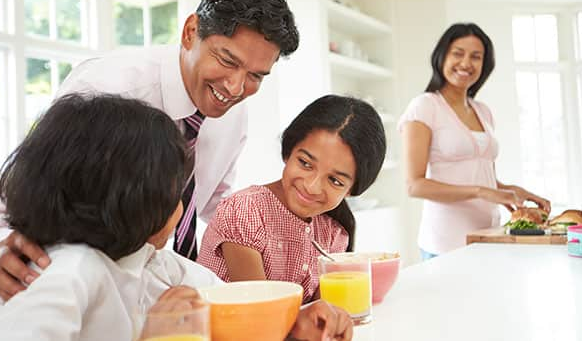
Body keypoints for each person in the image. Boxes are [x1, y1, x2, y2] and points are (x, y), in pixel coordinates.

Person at [0, 0, 352, 340]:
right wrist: (2, 248)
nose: (236, 87)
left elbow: (216, 213)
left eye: (256, 76)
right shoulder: (106, 90)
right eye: (228, 61)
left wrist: (285, 314)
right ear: (190, 32)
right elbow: (20, 190)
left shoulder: (231, 116)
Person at [0, 94, 352, 341]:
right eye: (174, 195)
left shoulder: (155, 261)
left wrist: (295, 323)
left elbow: (236, 301)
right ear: (130, 203)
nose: (182, 208)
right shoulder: (68, 274)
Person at [197, 95, 387, 303]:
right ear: (288, 152)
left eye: (334, 180)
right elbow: (261, 314)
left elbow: (321, 313)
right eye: (305, 163)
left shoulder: (333, 233)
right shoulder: (244, 212)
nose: (312, 186)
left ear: (352, 190)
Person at [398, 23, 551, 260]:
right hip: (445, 243)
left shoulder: (483, 111)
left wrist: (511, 191)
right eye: (458, 53)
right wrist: (481, 192)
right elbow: (414, 185)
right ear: (442, 57)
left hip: (489, 236)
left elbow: (479, 175)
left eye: (476, 57)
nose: (466, 63)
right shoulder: (425, 106)